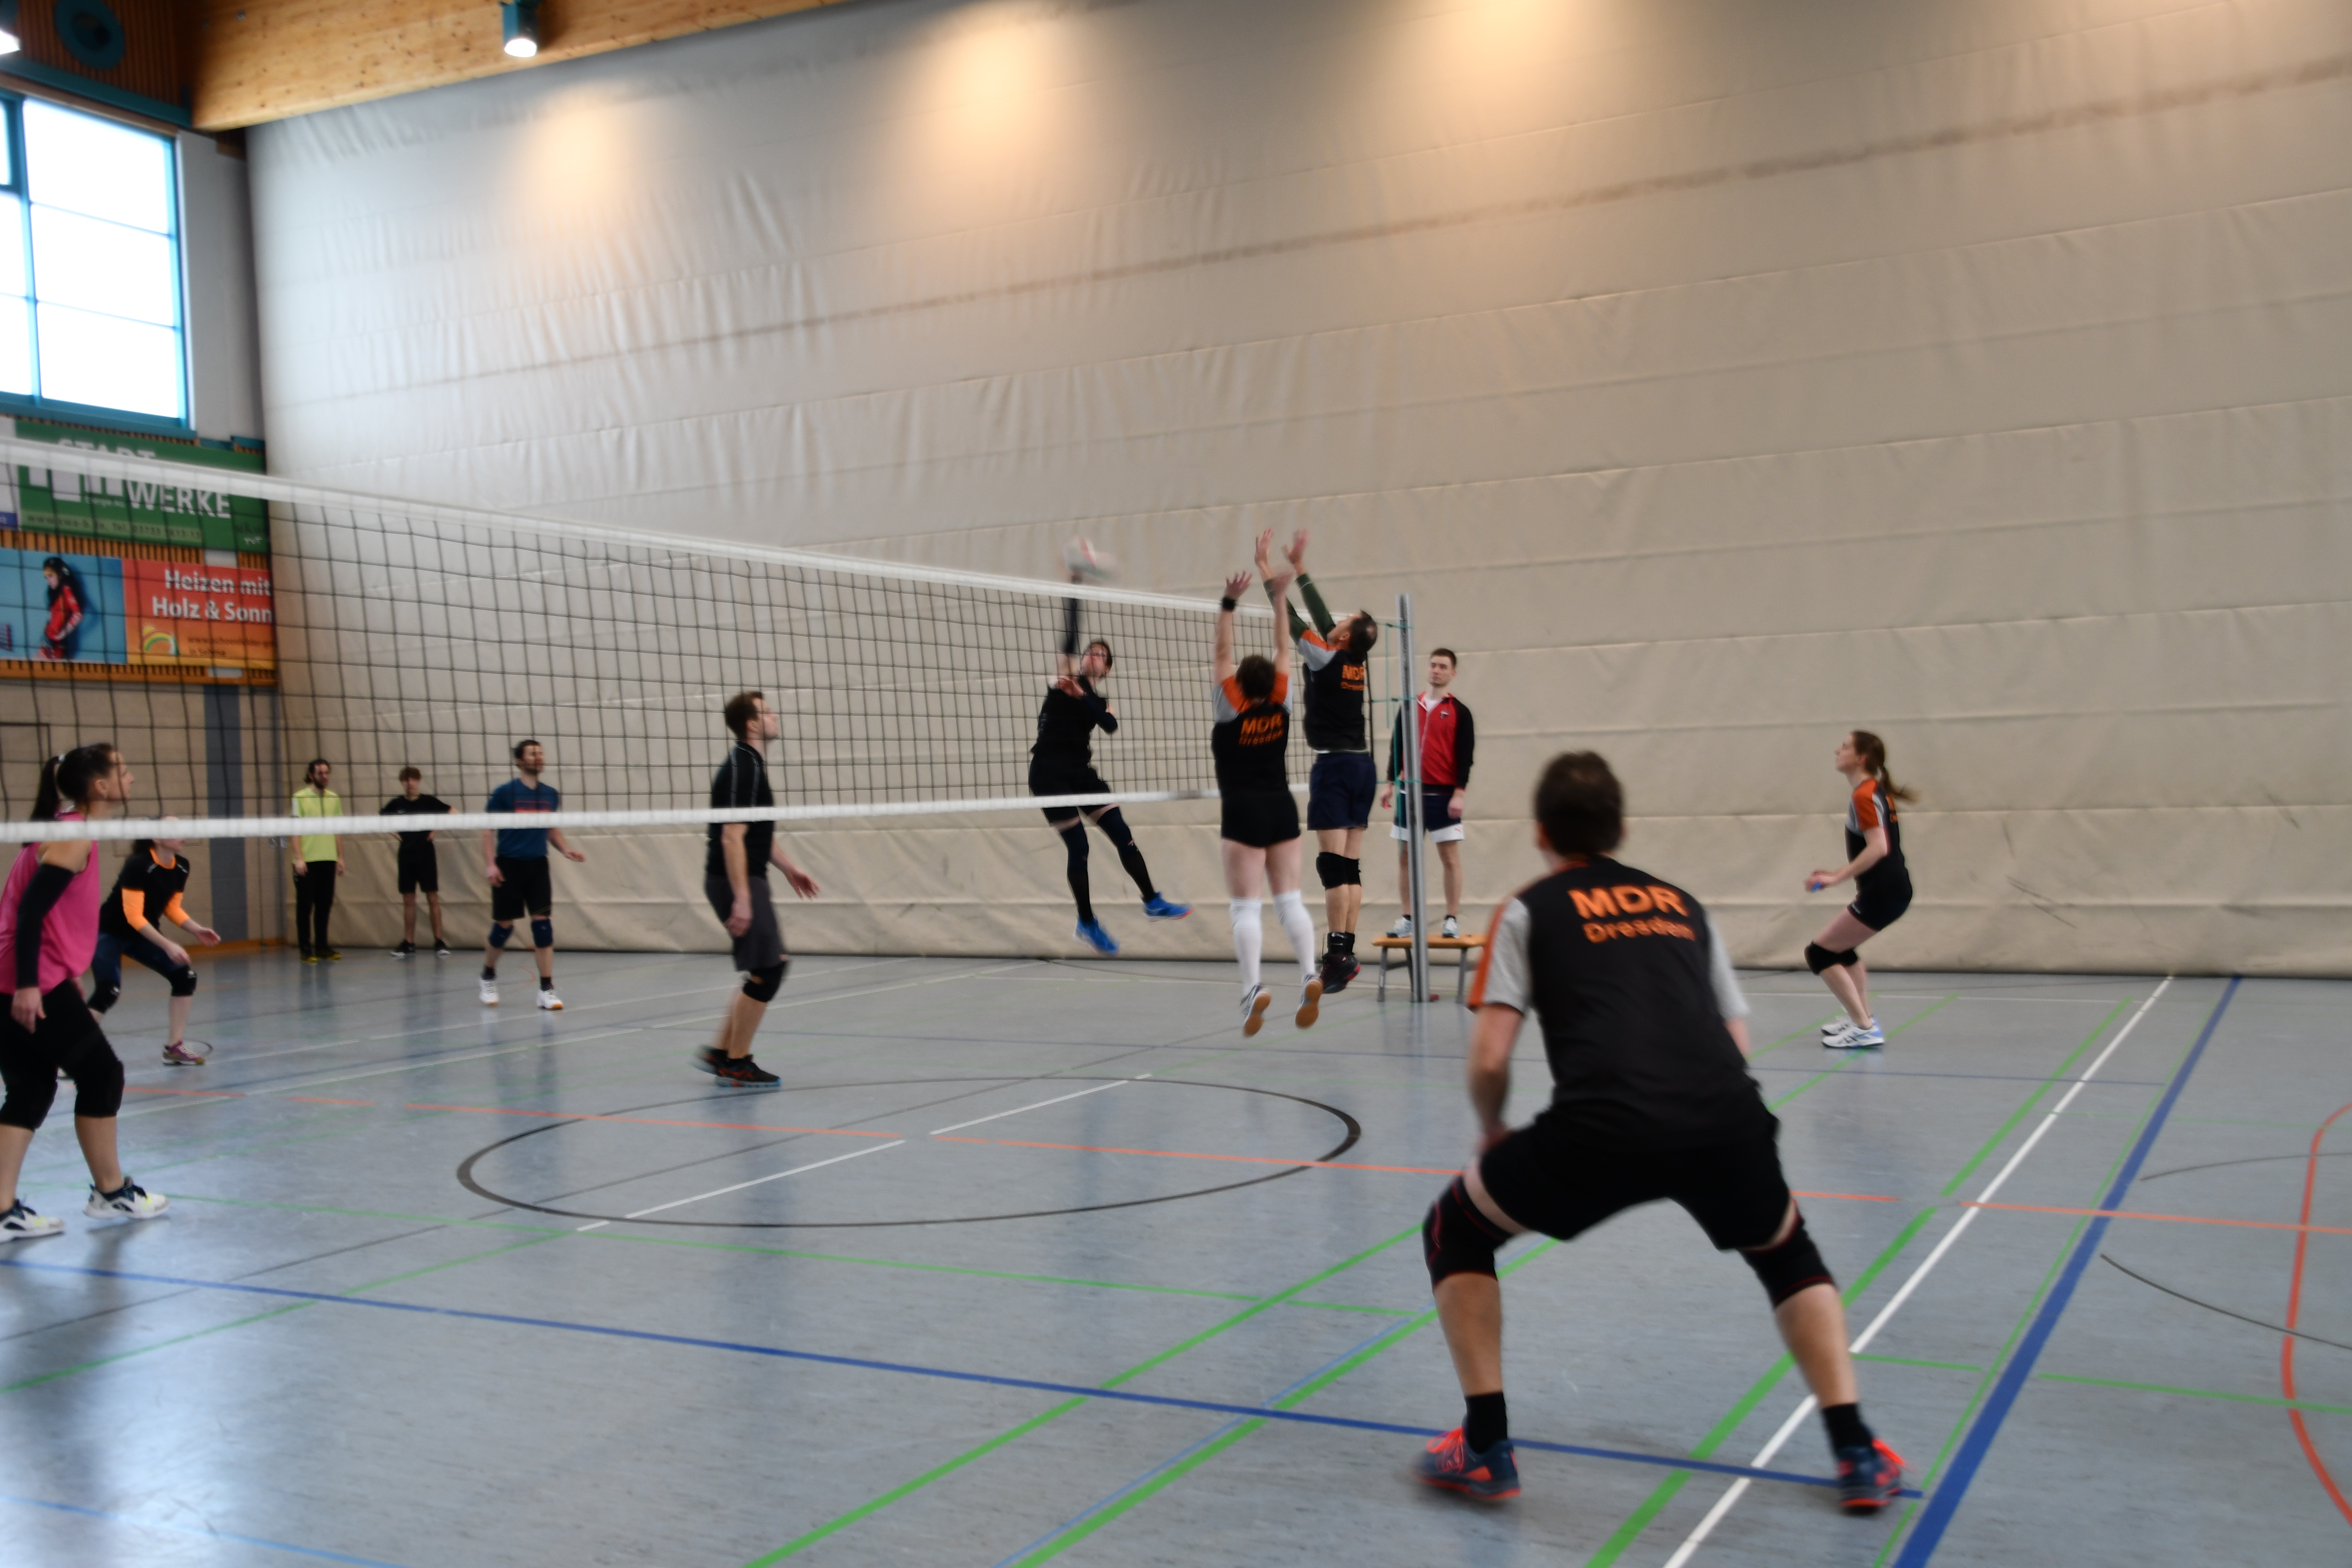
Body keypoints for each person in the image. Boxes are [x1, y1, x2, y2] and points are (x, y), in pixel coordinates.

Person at [1408, 751, 1903, 1512]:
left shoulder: (1526, 909)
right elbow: (1734, 1041)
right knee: (1786, 1255)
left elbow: (1489, 1058)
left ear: (1540, 833)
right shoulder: (1684, 906)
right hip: (1723, 1115)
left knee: (1456, 1229)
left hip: (1600, 1126)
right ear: (1622, 830)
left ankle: (1484, 1446)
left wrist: (1493, 1129)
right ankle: (1855, 1449)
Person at [0, 744, 171, 1241]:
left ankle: (1, 1209)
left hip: (25, 975)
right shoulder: (74, 836)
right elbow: (30, 912)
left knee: (32, 1088)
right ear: (100, 786)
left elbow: (44, 913)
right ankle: (111, 1192)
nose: (130, 778)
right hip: (23, 979)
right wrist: (30, 984)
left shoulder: (67, 828)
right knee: (102, 1074)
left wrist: (62, 968)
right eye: (123, 771)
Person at [1030, 573, 1190, 955]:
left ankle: (1152, 900)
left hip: (1081, 773)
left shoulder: (1102, 701)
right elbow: (1069, 635)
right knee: (1080, 847)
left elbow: (1109, 725)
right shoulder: (1063, 678)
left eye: (1101, 655)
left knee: (1122, 833)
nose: (1093, 655)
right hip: (1049, 773)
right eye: (1091, 651)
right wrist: (1075, 590)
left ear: (1107, 670)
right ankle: (1086, 922)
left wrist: (1081, 694)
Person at [1213, 537, 1322, 1037]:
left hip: (1243, 812)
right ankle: (1310, 973)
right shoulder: (1281, 702)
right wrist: (1278, 596)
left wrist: (1228, 604)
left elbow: (1222, 653)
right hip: (1282, 808)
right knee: (1290, 901)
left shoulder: (1230, 706)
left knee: (1245, 907)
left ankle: (1253, 988)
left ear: (1240, 683)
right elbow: (1284, 648)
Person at [1264, 530, 1377, 994]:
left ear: (1345, 636)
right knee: (1349, 867)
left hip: (1335, 768)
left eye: (1345, 621)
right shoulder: (1353, 660)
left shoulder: (1323, 654)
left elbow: (1293, 620)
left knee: (1333, 867)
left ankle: (1336, 956)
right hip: (1363, 767)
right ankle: (1344, 953)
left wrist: (1270, 577)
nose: (1337, 621)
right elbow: (1327, 619)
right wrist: (1301, 567)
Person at [694, 692, 822, 1087]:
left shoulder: (750, 764)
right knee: (769, 970)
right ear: (751, 724)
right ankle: (736, 1063)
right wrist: (743, 899)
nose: (774, 716)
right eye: (766, 712)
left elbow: (755, 834)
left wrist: (789, 868)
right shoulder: (743, 768)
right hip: (736, 880)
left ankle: (721, 1052)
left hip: (745, 878)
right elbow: (732, 837)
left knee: (766, 967)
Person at [1804, 730, 1917, 1050]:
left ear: (1861, 758)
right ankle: (1862, 1017)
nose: (1837, 750)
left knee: (1820, 953)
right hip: (1887, 890)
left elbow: (1879, 847)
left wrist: (1836, 878)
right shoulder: (1871, 791)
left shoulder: (1865, 794)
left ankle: (1864, 1027)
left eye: (1845, 747)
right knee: (1841, 950)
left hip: (1884, 892)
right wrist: (1834, 874)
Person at [89, 824, 220, 1066]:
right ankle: (71, 1055)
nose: (182, 833)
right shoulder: (138, 864)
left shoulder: (182, 866)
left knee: (185, 977)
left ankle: (174, 1048)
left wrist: (196, 929)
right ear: (157, 838)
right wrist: (168, 945)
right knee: (108, 990)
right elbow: (133, 916)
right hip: (108, 932)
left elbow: (172, 907)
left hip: (141, 934)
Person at [479, 739, 585, 1010]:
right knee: (504, 927)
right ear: (520, 760)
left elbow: (550, 828)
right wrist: (491, 864)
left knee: (543, 925)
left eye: (541, 753)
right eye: (532, 754)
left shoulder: (550, 794)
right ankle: (488, 975)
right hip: (508, 865)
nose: (539, 757)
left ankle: (546, 989)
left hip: (538, 865)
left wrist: (565, 849)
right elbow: (488, 830)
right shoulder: (505, 793)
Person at [1384, 648, 1475, 939]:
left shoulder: (1460, 712)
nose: (1437, 670)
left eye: (1443, 666)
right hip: (1409, 794)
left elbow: (1466, 757)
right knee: (1405, 858)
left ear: (1453, 673)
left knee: (1449, 859)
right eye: (1433, 665)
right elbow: (1397, 745)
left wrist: (1459, 793)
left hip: (1443, 796)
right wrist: (1389, 783)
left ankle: (1451, 918)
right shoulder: (1410, 707)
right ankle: (1408, 917)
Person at [381, 767, 453, 957]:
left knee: (432, 897)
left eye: (413, 780)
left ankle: (439, 942)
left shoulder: (429, 801)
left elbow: (453, 812)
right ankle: (409, 943)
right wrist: (396, 835)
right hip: (406, 855)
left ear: (418, 781)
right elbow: (381, 819)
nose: (410, 783)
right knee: (408, 900)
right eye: (406, 780)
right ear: (402, 783)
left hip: (426, 854)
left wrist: (436, 831)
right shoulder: (397, 803)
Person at [290, 758, 344, 961]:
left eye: (327, 773)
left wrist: (340, 857)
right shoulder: (299, 798)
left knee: (325, 904)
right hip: (307, 861)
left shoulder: (334, 798)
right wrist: (299, 858)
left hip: (328, 859)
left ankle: (322, 946)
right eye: (321, 773)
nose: (325, 777)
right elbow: (294, 830)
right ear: (311, 775)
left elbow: (338, 830)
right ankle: (305, 948)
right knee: (305, 906)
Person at [38, 557, 84, 662]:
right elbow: (53, 615)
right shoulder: (54, 593)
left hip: (58, 646)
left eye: (51, 576)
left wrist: (62, 634)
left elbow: (78, 615)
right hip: (48, 640)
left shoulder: (66, 589)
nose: (49, 581)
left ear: (60, 574)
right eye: (46, 577)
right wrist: (47, 625)